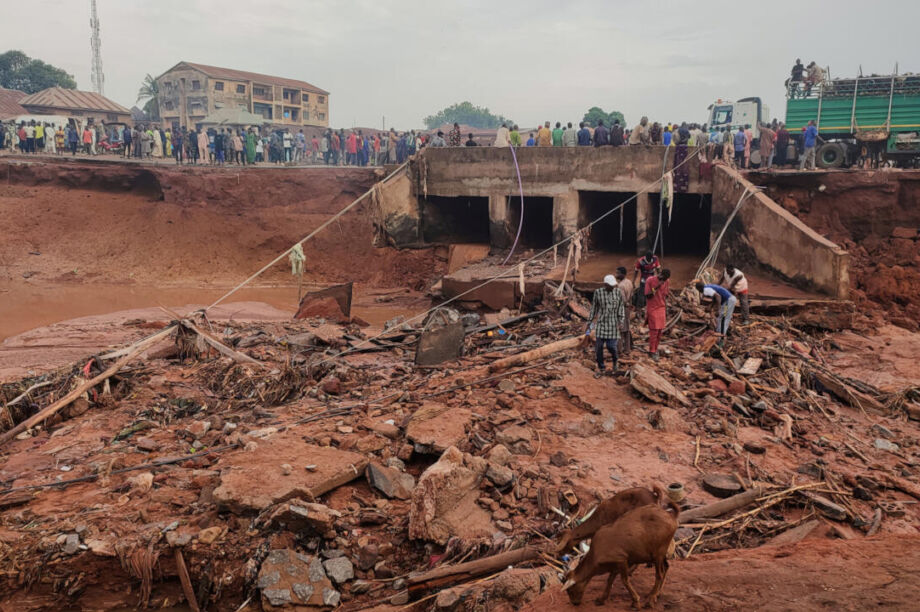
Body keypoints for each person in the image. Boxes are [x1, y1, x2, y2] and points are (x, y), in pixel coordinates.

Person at [586, 274, 626, 377]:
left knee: (611, 346)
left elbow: (621, 307)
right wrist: (589, 323)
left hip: (613, 324)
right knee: (598, 347)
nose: (612, 287)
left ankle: (615, 361)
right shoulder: (598, 293)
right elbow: (594, 309)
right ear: (605, 284)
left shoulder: (617, 292)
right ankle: (601, 367)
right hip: (601, 324)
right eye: (610, 285)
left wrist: (621, 321)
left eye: (613, 285)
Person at [645, 268, 670, 360]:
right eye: (663, 278)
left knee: (660, 331)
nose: (664, 281)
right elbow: (648, 295)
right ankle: (652, 351)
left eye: (666, 279)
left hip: (661, 308)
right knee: (654, 331)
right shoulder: (650, 280)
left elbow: (665, 295)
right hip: (652, 308)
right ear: (660, 274)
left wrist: (666, 308)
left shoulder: (666, 281)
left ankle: (655, 349)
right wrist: (657, 286)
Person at [632, 251, 660, 317]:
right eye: (648, 259)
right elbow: (636, 271)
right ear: (646, 257)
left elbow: (658, 269)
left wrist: (659, 279)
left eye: (651, 258)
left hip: (652, 280)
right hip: (644, 280)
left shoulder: (655, 259)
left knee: (652, 292)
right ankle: (639, 309)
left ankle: (649, 306)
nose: (650, 260)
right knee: (641, 293)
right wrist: (633, 281)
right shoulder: (641, 261)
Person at [614, 266, 633, 355]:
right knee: (627, 329)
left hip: (622, 309)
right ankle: (627, 349)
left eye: (618, 273)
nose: (616, 275)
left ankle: (619, 350)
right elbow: (631, 296)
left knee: (620, 329)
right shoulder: (629, 282)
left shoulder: (620, 286)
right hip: (627, 309)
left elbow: (623, 300)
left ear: (622, 274)